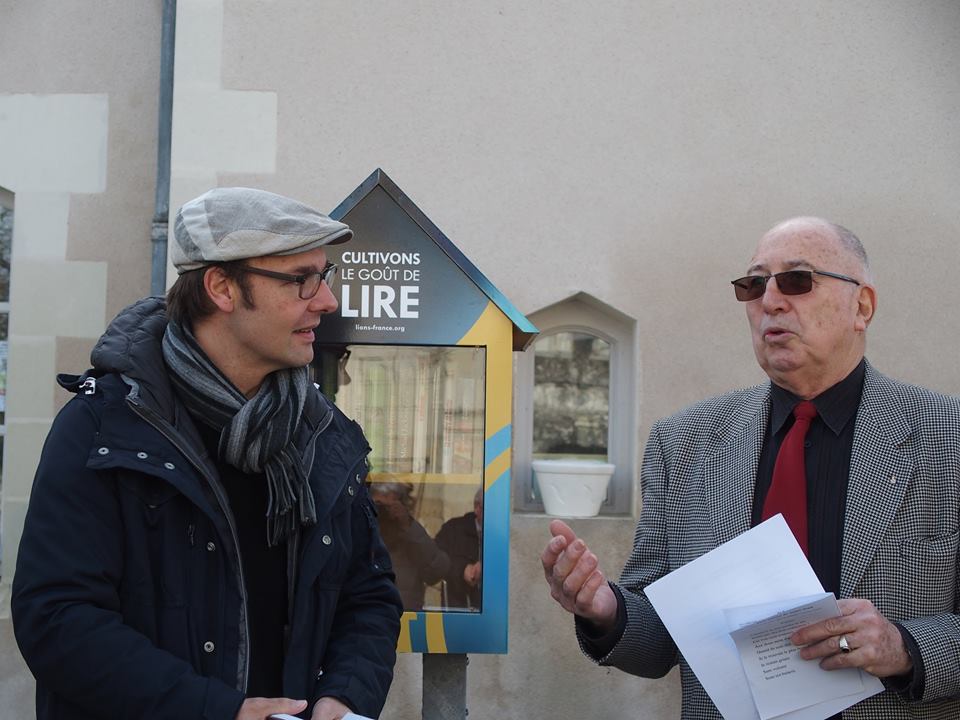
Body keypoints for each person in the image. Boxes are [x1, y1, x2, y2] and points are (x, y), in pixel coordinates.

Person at [542, 217, 960, 719]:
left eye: (797, 280)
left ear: (862, 306)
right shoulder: (685, 442)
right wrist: (605, 610)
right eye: (754, 284)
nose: (771, 301)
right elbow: (660, 641)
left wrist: (903, 647)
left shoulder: (946, 436)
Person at [12, 187, 403, 720]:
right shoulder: (103, 427)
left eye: (324, 274)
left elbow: (368, 594)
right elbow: (58, 620)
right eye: (300, 279)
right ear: (221, 286)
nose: (327, 299)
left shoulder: (321, 432)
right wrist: (216, 711)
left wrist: (345, 695)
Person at [367, 479, 450, 611]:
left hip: (406, 619)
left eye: (389, 507)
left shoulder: (411, 536)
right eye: (378, 505)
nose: (383, 512)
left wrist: (408, 525)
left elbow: (436, 572)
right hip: (366, 617)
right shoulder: (360, 533)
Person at [435, 488, 483, 610]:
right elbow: (434, 560)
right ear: (477, 508)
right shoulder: (452, 529)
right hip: (457, 609)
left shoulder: (501, 535)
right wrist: (463, 569)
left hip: (491, 611)